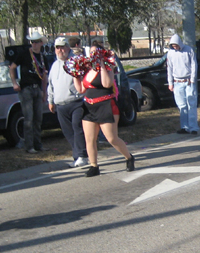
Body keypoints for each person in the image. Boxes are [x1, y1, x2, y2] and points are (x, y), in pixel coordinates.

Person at [74, 42, 135, 177]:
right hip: (89, 107)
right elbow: (81, 89)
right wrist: (75, 74)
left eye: (96, 52)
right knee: (89, 139)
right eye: (91, 52)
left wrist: (101, 64)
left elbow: (106, 84)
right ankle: (94, 166)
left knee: (112, 138)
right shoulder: (88, 70)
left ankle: (129, 157)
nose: (92, 55)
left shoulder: (108, 68)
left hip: (105, 105)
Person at [47, 37, 88, 167]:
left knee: (77, 127)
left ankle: (82, 155)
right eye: (57, 48)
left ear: (68, 47)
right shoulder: (54, 65)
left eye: (63, 47)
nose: (60, 50)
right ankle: (77, 156)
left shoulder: (75, 61)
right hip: (60, 104)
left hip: (76, 102)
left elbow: (84, 78)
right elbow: (50, 84)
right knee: (68, 132)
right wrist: (51, 100)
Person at [9, 30, 48, 153]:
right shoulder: (24, 54)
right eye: (32, 42)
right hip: (26, 88)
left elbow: (44, 76)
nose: (34, 44)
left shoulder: (43, 57)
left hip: (37, 88)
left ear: (41, 43)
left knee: (38, 118)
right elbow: (12, 67)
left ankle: (38, 144)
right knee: (28, 118)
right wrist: (14, 83)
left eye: (36, 42)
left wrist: (45, 92)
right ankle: (29, 146)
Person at [166, 34, 198, 135]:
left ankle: (193, 127)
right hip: (177, 82)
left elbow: (193, 65)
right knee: (182, 106)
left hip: (188, 81)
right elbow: (169, 68)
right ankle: (184, 127)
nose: (175, 47)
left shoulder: (189, 50)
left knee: (191, 105)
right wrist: (170, 83)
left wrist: (192, 79)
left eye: (176, 45)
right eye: (173, 46)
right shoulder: (170, 53)